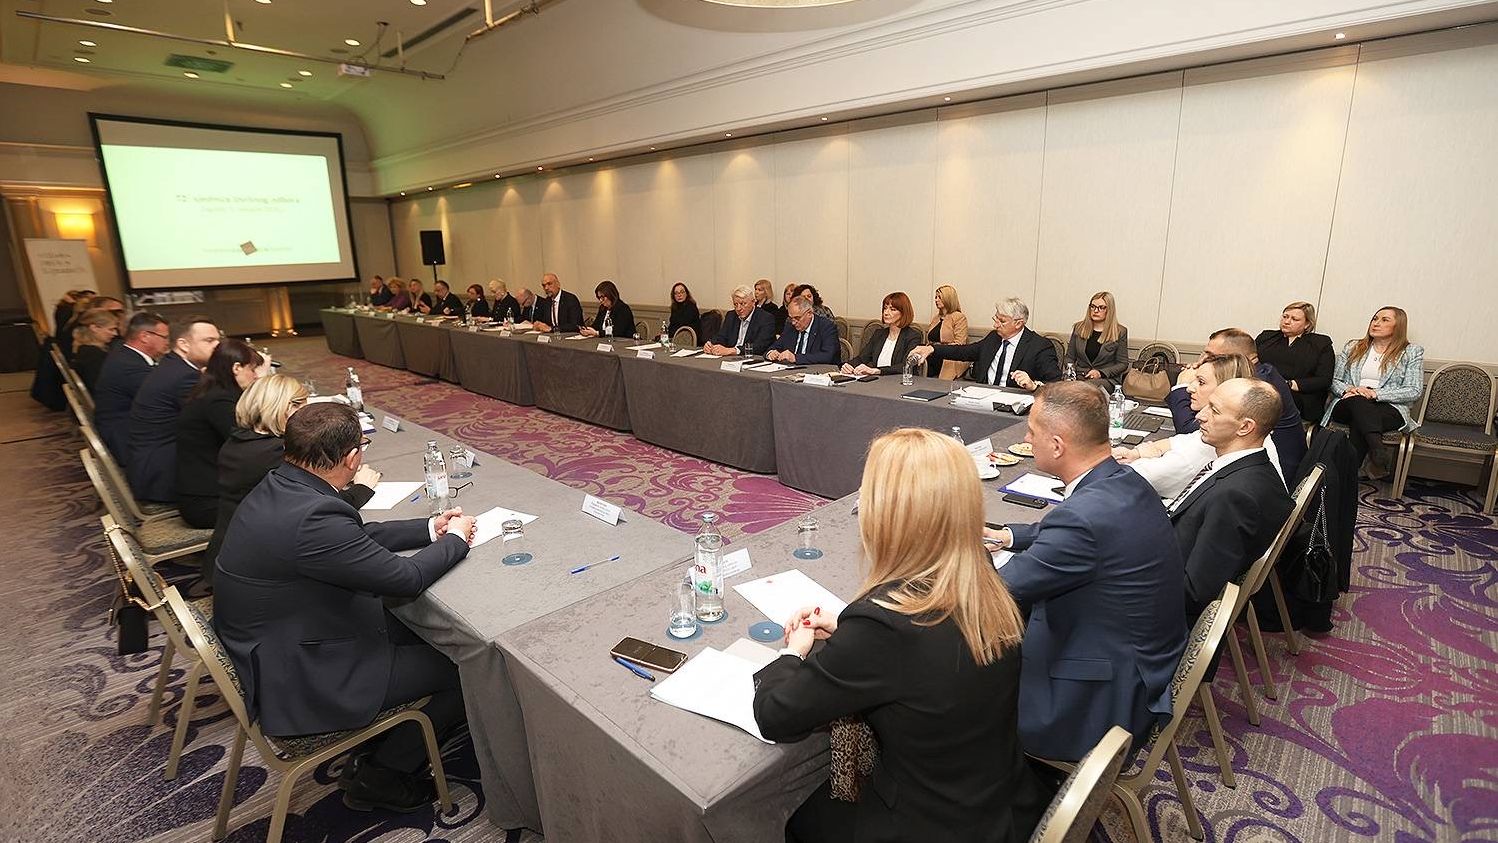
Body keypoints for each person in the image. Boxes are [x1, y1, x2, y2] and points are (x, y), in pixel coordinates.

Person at [754, 428, 1047, 843]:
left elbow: (775, 715)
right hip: (1003, 801)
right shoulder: (979, 571)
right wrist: (850, 633)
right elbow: (927, 652)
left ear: (887, 514)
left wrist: (793, 652)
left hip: (930, 825)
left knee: (801, 824)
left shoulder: (883, 626)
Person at [213, 403, 473, 812]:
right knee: (465, 668)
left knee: (415, 628)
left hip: (280, 642)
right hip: (307, 677)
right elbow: (405, 579)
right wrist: (455, 540)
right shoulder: (314, 515)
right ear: (352, 457)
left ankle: (384, 739)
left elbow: (352, 538)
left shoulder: (281, 485)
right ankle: (383, 774)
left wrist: (428, 528)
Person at [983, 382, 1186, 760]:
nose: (1026, 439)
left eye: (1032, 431)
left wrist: (957, 550)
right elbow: (1078, 534)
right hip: (1137, 661)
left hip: (1100, 700)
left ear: (1057, 445)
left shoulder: (1083, 518)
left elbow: (997, 592)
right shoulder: (1124, 480)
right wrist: (1010, 536)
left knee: (957, 677)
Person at [205, 374, 379, 583]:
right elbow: (322, 506)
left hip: (228, 553)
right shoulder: (275, 453)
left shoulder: (238, 440)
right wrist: (362, 488)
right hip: (260, 569)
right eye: (303, 406)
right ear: (286, 408)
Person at [1169, 378, 1295, 620]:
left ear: (1245, 427)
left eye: (1214, 410)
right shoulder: (1255, 468)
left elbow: (1193, 593)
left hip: (1158, 611)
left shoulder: (1236, 497)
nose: (1200, 416)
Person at [1116, 355, 1284, 500]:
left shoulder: (1216, 446)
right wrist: (1140, 452)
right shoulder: (1246, 436)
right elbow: (1182, 440)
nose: (1189, 387)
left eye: (1201, 382)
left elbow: (1130, 478)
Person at [1166, 328, 1306, 482]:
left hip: (1269, 476)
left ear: (1239, 359)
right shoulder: (1257, 372)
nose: (1203, 361)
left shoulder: (1255, 386)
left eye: (1213, 357)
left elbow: (1194, 430)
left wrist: (1182, 386)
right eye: (1205, 354)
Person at [1321, 306, 1425, 479]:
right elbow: (1334, 381)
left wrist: (1375, 394)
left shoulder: (1411, 352)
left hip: (1388, 408)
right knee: (1359, 402)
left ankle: (1346, 476)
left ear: (1398, 326)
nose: (1376, 323)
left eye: (1384, 320)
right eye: (1375, 319)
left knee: (1360, 419)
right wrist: (1350, 389)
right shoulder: (1353, 347)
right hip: (1348, 403)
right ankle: (1377, 449)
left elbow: (1414, 390)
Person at [175, 339, 270, 528]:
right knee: (289, 508)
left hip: (208, 492)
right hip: (207, 503)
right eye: (252, 370)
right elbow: (250, 445)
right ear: (236, 368)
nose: (255, 376)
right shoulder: (218, 401)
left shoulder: (212, 391)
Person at [127, 316, 221, 503]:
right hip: (163, 472)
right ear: (184, 345)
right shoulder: (185, 377)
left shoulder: (173, 365)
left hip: (151, 458)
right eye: (209, 340)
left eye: (219, 340)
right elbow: (216, 418)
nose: (218, 346)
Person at [912, 298, 1061, 392]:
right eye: (996, 319)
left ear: (1018, 323)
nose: (995, 325)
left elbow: (1056, 385)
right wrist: (932, 348)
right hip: (983, 398)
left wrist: (1033, 386)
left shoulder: (1039, 346)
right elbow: (964, 351)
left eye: (1002, 321)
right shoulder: (993, 338)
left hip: (1015, 406)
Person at [94, 312, 169, 461]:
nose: (168, 342)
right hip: (127, 439)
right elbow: (165, 396)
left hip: (124, 426)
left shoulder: (125, 354)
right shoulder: (129, 366)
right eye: (165, 337)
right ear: (144, 336)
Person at [1256, 301, 1335, 422]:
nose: (1287, 321)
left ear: (1307, 324)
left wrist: (1289, 384)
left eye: (1294, 319)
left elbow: (1324, 380)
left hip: (1299, 396)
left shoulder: (1320, 344)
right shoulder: (1266, 337)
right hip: (1262, 388)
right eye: (1285, 317)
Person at [842, 292, 922, 376]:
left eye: (892, 309)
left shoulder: (913, 336)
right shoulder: (879, 334)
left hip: (900, 381)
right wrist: (849, 365)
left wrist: (877, 371)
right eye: (885, 308)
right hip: (877, 380)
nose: (886, 313)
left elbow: (906, 366)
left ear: (904, 313)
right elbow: (862, 358)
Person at [1065, 291, 1130, 391]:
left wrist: (1100, 373)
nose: (1095, 310)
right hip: (1080, 376)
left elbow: (1122, 364)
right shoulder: (1079, 328)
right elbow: (1069, 357)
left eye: (1101, 307)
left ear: (1109, 310)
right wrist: (1071, 373)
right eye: (1093, 306)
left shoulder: (1119, 331)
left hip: (1105, 379)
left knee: (1086, 388)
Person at [704, 285, 777, 357]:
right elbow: (722, 337)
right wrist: (711, 344)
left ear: (753, 302)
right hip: (730, 358)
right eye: (735, 304)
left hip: (753, 358)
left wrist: (734, 350)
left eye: (743, 304)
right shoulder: (731, 315)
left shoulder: (766, 318)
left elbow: (760, 346)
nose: (738, 308)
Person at [768, 296, 839, 365]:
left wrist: (796, 358)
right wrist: (771, 353)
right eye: (791, 318)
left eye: (797, 318)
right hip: (791, 370)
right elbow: (774, 347)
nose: (793, 322)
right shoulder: (790, 326)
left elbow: (828, 356)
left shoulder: (826, 326)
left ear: (809, 313)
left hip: (817, 370)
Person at [925, 284, 971, 381]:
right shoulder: (936, 318)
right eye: (936, 297)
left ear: (948, 298)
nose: (936, 300)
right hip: (933, 354)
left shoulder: (959, 317)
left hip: (949, 356)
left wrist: (939, 348)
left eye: (939, 297)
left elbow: (960, 343)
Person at [70, 309, 120, 393]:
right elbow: (103, 386)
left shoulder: (84, 349)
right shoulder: (93, 355)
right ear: (94, 328)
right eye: (111, 329)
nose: (115, 334)